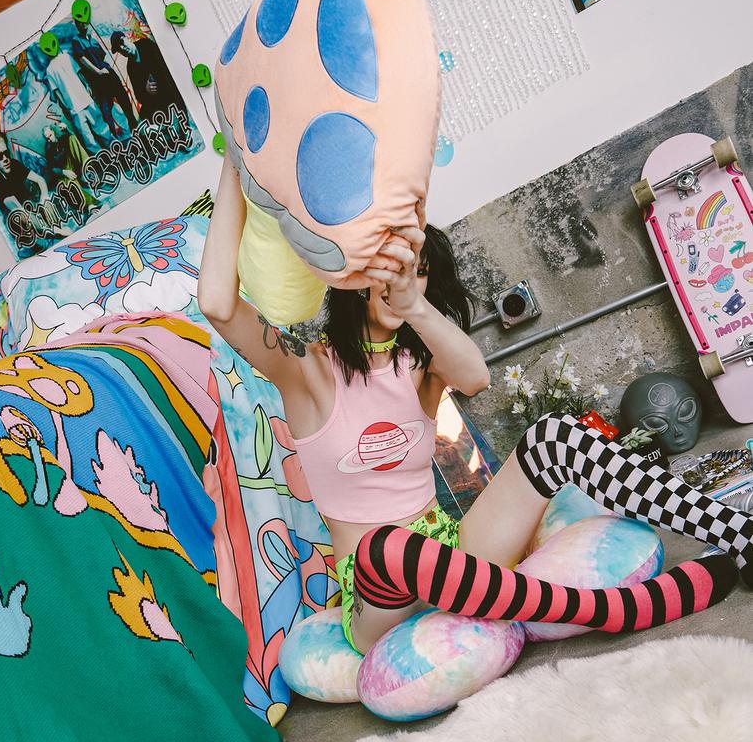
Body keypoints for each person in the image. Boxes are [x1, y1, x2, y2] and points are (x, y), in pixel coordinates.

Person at [198, 164, 752, 653]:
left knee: (554, 436)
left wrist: (415, 308)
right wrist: (233, 165)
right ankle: (615, 610)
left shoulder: (420, 364)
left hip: (452, 552)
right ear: (359, 276)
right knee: (387, 547)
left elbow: (475, 377)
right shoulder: (306, 370)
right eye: (391, 267)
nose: (402, 280)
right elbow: (218, 304)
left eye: (418, 271)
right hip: (377, 593)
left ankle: (738, 531)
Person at [71, 21, 136, 139]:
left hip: (109, 75)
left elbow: (104, 56)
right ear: (76, 24)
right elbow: (82, 59)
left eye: (85, 22)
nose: (84, 24)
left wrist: (108, 69)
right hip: (98, 80)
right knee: (106, 109)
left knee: (124, 100)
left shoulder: (93, 40)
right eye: (80, 22)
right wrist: (97, 71)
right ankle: (115, 138)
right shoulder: (76, 41)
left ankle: (134, 127)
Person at [110, 29, 184, 123]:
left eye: (121, 42)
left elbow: (167, 68)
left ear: (127, 37)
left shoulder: (146, 45)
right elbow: (139, 96)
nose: (122, 48)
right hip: (156, 102)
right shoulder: (131, 67)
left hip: (171, 92)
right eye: (118, 49)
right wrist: (146, 89)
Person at [0, 132, 48, 218]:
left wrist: (45, 199)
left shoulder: (15, 164)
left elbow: (40, 179)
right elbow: (18, 210)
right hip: (16, 218)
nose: (5, 159)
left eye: (6, 153)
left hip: (28, 208)